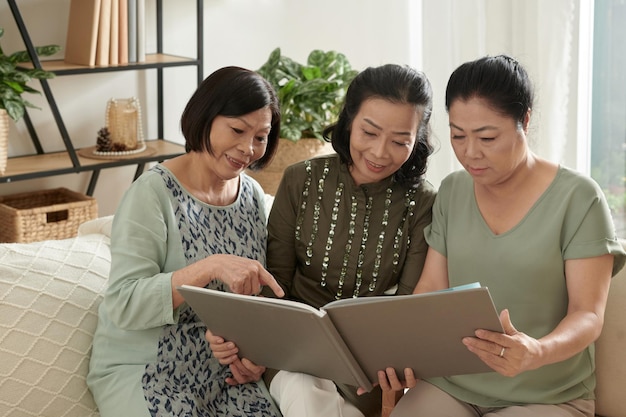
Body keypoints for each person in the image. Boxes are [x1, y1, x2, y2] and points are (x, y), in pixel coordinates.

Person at [378, 55, 626, 417]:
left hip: (547, 395)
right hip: (453, 383)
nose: (470, 152)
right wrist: (404, 351)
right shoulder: (452, 191)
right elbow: (431, 288)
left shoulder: (579, 198)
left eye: (488, 137)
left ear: (524, 120)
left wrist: (536, 351)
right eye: (458, 135)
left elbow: (587, 314)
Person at [208, 63, 438, 417]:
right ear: (349, 121)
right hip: (292, 353)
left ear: (416, 141)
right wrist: (261, 349)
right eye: (370, 132)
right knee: (302, 387)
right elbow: (277, 284)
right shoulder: (301, 179)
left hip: (367, 370)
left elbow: (405, 308)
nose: (379, 152)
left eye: (400, 141)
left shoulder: (423, 202)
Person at [87, 66, 286, 417]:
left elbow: (253, 302)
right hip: (148, 370)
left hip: (225, 376)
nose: (248, 148)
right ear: (205, 117)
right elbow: (124, 302)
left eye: (260, 136)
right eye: (237, 130)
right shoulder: (152, 193)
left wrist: (255, 357)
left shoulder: (253, 195)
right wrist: (208, 268)